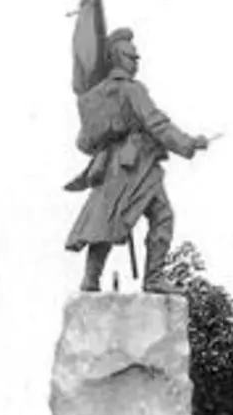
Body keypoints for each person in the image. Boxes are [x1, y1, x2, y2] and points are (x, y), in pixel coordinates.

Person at [64, 28, 210, 294]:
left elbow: (85, 138)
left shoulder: (101, 93)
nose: (136, 62)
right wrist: (188, 143)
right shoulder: (132, 91)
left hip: (111, 164)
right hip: (137, 164)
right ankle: (152, 278)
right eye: (132, 57)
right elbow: (156, 123)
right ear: (118, 58)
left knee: (105, 220)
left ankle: (90, 280)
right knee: (161, 215)